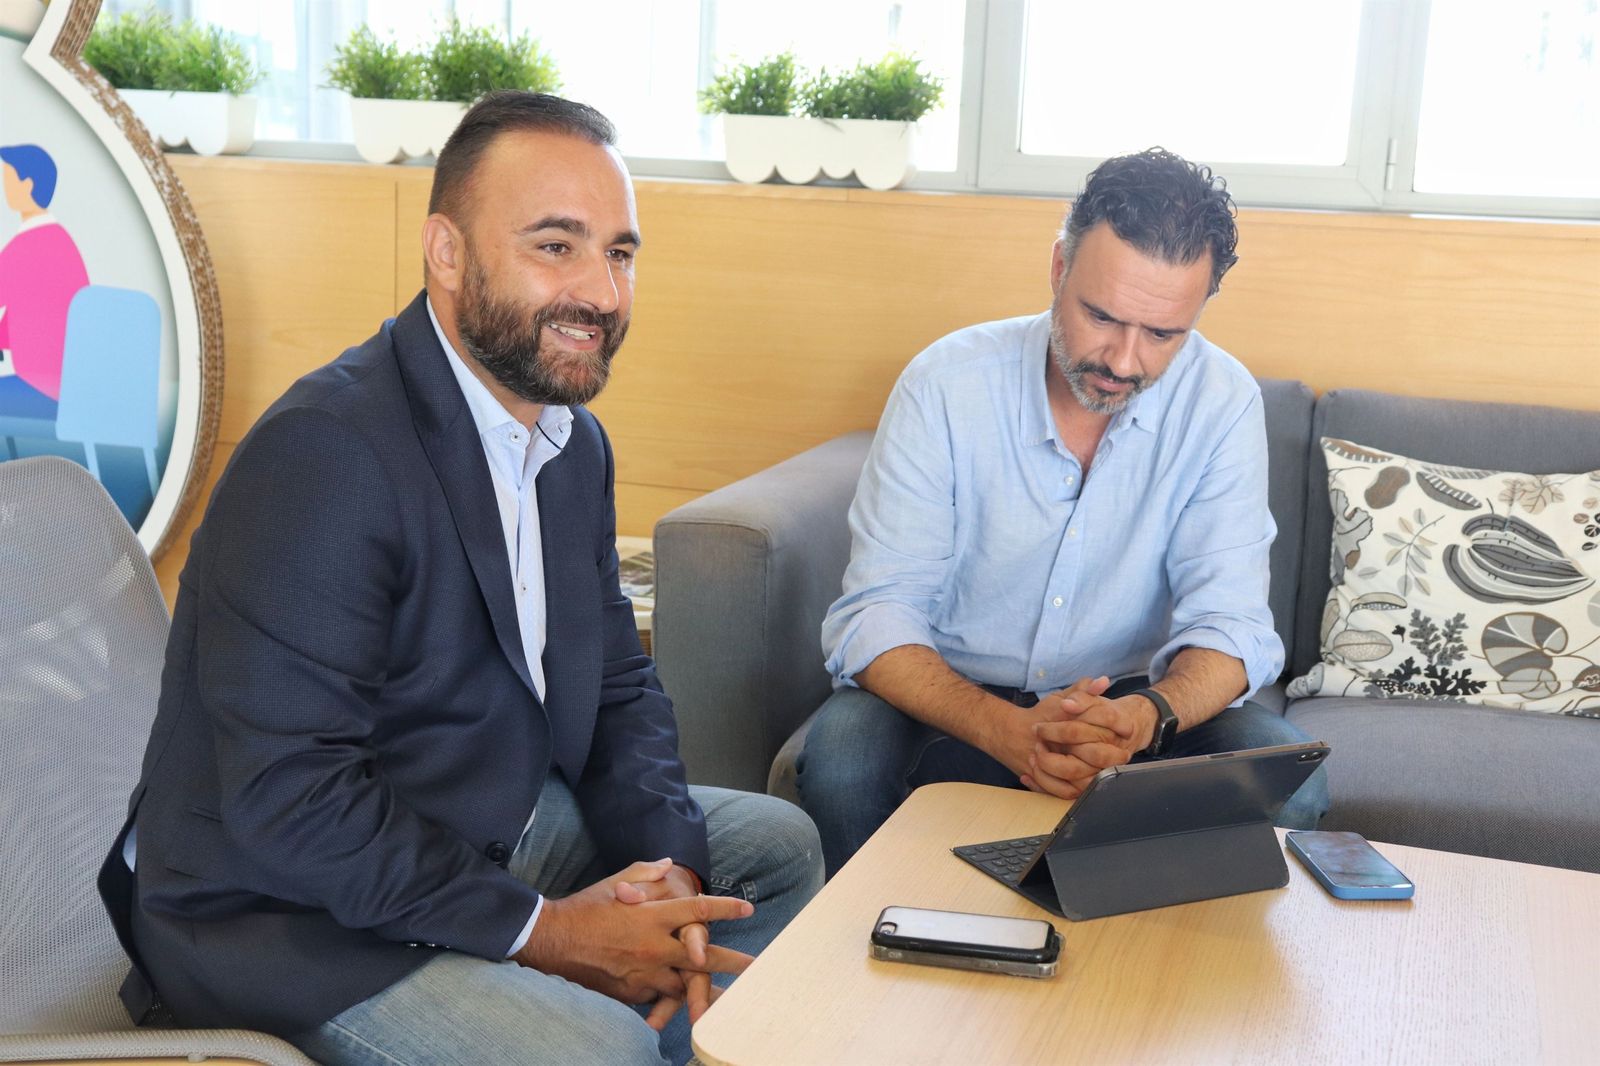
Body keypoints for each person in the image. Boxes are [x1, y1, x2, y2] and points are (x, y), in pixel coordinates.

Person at [98, 92, 823, 1066]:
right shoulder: (327, 454)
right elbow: (293, 803)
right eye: (554, 246)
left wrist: (667, 879)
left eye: (618, 252)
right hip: (285, 919)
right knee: (595, 1052)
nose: (603, 294)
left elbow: (613, 686)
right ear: (446, 253)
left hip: (469, 824)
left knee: (768, 852)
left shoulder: (569, 445)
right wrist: (549, 931)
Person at [797, 147, 1328, 877]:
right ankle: (874, 967)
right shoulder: (946, 385)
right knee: (841, 762)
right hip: (953, 703)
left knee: (1289, 781)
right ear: (1058, 270)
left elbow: (1231, 626)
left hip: (1133, 710)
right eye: (1102, 316)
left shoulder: (1221, 401)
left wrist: (1145, 720)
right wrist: (1006, 730)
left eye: (1163, 334)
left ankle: (1133, 977)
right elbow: (877, 615)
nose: (1124, 359)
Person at [0, 143, 89, 425]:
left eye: (7, 178)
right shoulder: (60, 241)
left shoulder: (25, 246)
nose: (4, 187)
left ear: (27, 185)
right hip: (67, 388)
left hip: (43, 391)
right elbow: (27, 315)